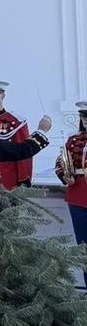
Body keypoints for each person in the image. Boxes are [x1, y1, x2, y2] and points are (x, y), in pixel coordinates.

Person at [55, 101, 87, 247]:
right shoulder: (73, 139)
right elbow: (60, 163)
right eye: (83, 117)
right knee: (83, 242)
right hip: (78, 193)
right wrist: (66, 177)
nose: (85, 120)